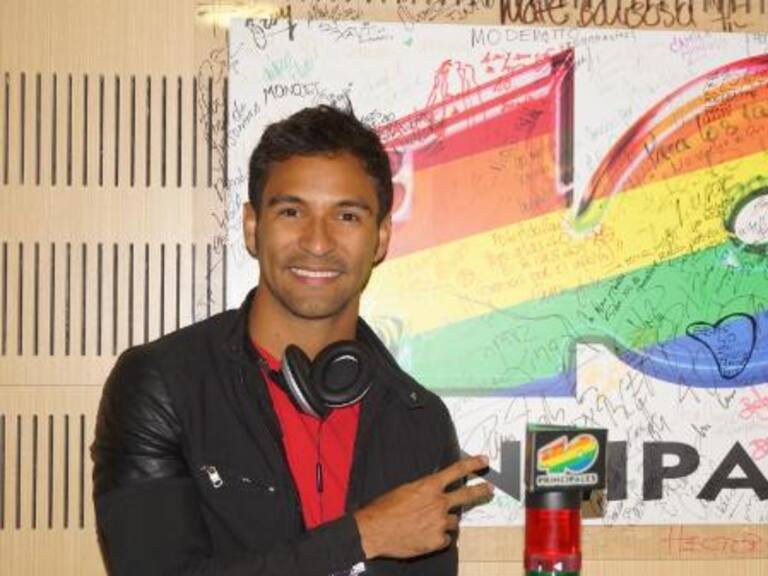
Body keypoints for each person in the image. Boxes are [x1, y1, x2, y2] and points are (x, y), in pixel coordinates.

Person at [91, 104, 493, 576]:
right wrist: (362, 537)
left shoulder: (419, 421)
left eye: (347, 216)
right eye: (291, 211)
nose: (317, 242)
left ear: (381, 237)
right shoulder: (162, 386)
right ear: (252, 227)